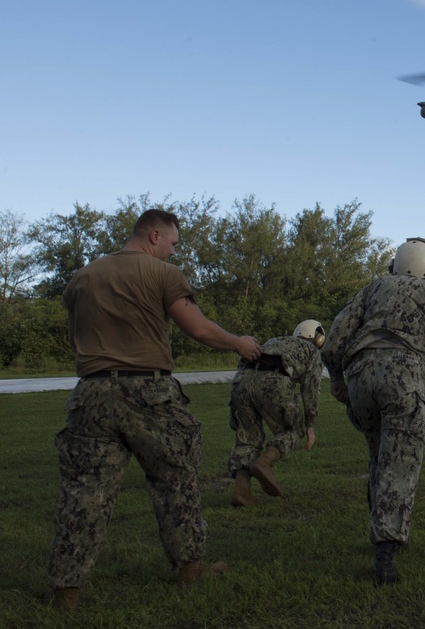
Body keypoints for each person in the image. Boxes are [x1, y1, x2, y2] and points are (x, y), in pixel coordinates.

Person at [47, 209, 262, 610]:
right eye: (173, 243)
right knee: (174, 479)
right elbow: (196, 328)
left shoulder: (85, 275)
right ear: (154, 235)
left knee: (84, 492)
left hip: (91, 393)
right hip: (149, 391)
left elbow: (74, 336)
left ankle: (66, 588)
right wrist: (238, 342)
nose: (172, 251)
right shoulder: (163, 274)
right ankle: (189, 567)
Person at [321, 237, 425, 585]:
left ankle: (379, 524)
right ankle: (385, 551)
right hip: (401, 378)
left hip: (360, 379)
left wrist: (337, 378)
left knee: (378, 457)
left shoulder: (371, 290)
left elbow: (335, 337)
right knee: (399, 463)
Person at [227, 319, 325, 506]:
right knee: (294, 430)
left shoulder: (274, 340)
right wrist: (310, 423)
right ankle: (264, 463)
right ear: (318, 337)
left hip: (241, 380)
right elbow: (311, 388)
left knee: (247, 439)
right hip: (274, 379)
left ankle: (242, 490)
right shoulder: (312, 351)